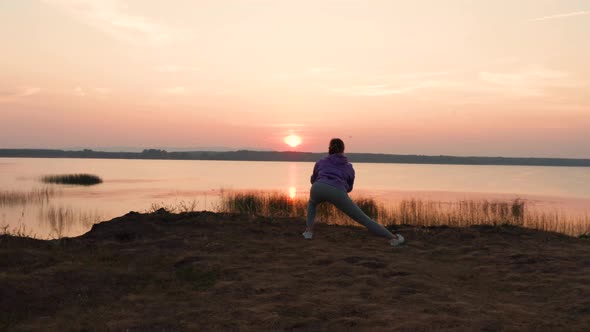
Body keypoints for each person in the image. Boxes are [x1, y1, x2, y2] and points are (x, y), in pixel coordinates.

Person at [303, 138, 405, 246]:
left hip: (317, 187)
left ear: (329, 149)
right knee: (364, 219)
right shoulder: (349, 167)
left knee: (312, 203)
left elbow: (313, 180)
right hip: (337, 191)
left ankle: (309, 231)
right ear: (343, 150)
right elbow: (349, 188)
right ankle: (393, 238)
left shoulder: (321, 162)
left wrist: (323, 187)